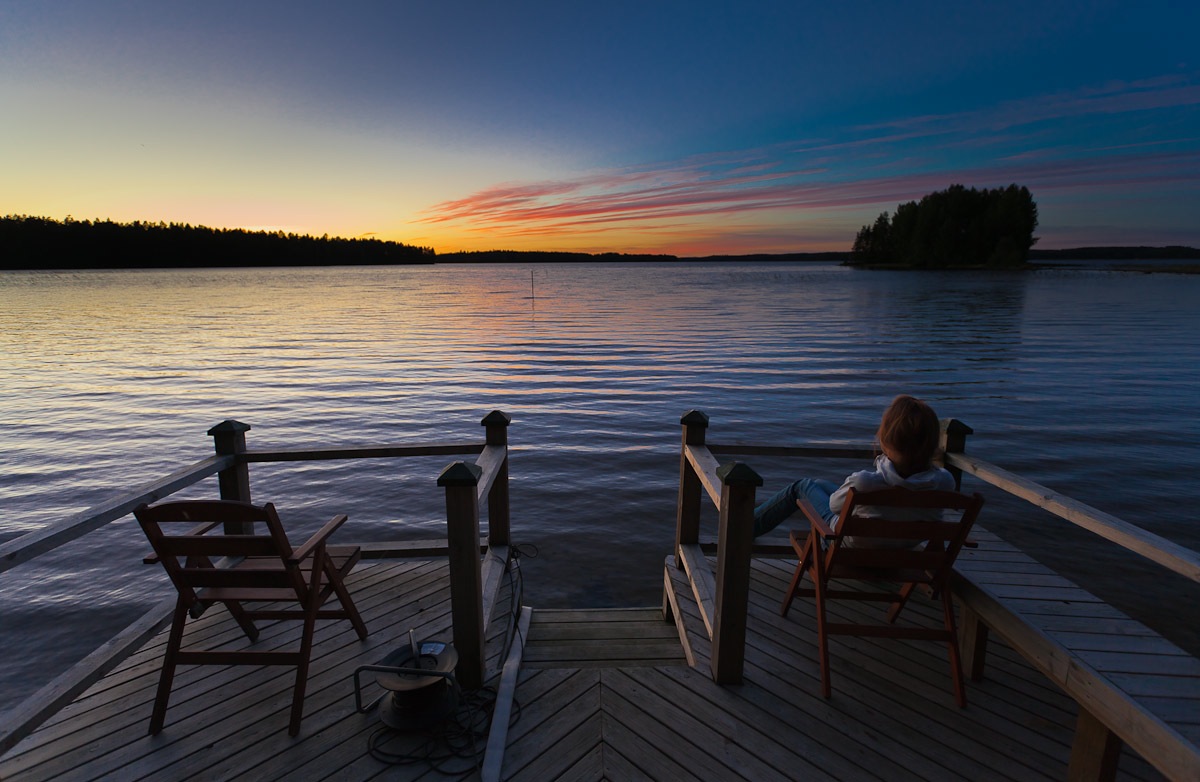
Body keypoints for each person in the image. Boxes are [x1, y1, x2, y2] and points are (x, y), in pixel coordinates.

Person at [752, 395, 956, 539]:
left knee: (801, 486)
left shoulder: (865, 482)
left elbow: (833, 506)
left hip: (848, 544)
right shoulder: (945, 482)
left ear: (885, 441)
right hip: (903, 548)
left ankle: (745, 528)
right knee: (819, 484)